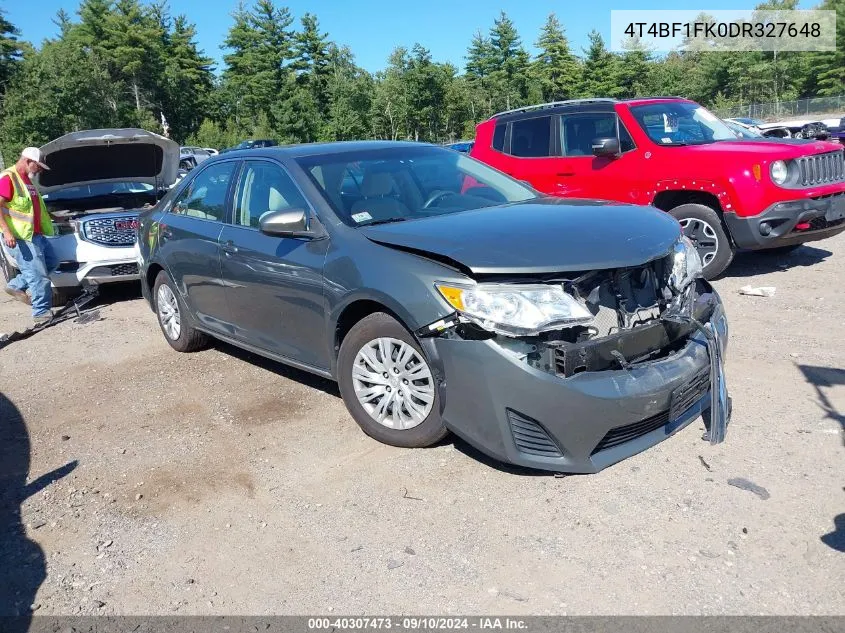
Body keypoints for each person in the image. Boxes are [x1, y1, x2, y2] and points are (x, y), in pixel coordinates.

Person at [0, 147, 57, 325]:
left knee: (52, 262)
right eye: (38, 166)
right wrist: (7, 232)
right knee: (38, 275)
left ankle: (16, 285)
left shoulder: (27, 180)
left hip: (35, 234)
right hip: (20, 237)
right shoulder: (9, 178)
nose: (39, 169)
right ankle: (41, 313)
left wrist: (54, 217)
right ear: (27, 161)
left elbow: (32, 207)